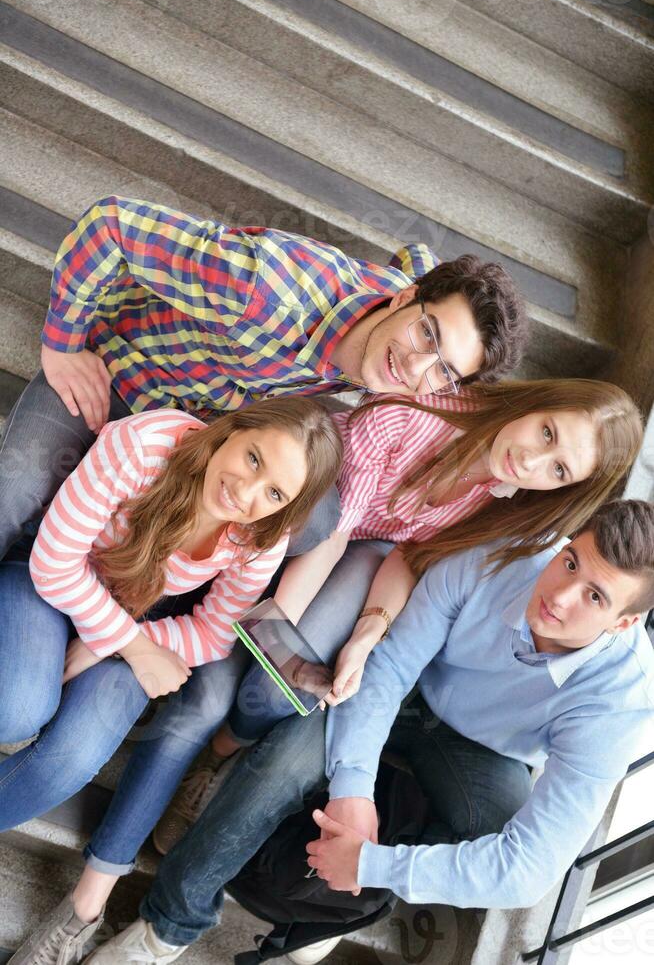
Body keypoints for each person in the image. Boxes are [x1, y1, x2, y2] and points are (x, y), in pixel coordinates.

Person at [8, 381, 643, 964]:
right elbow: (374, 631)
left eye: (595, 599)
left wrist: (376, 863)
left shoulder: (608, 694)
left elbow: (530, 869)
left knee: (498, 820)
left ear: (622, 624)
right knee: (269, 714)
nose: (534, 462)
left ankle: (319, 886)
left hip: (475, 740)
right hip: (387, 649)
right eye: (548, 433)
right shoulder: (502, 552)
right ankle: (174, 909)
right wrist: (352, 791)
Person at [153, 376, 641, 851]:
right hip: (301, 524)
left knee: (286, 689)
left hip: (366, 559)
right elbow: (334, 533)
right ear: (539, 402)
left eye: (558, 471)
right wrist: (277, 627)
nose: (533, 460)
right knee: (256, 673)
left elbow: (408, 556)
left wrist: (369, 632)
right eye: (547, 433)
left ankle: (219, 754)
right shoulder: (421, 412)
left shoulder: (506, 504)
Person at [0, 195, 526, 561]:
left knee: (313, 524)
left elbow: (420, 264)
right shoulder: (263, 285)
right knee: (14, 490)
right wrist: (63, 343)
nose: (416, 368)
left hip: (205, 436)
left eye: (446, 371)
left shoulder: (400, 352)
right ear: (407, 298)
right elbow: (110, 223)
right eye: (428, 335)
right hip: (118, 374)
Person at [0, 396, 341, 836]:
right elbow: (54, 563)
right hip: (50, 583)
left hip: (137, 614)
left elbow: (216, 632)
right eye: (253, 458)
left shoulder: (260, 536)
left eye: (275, 493)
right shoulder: (146, 445)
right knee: (17, 709)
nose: (245, 492)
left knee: (75, 757)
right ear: (234, 429)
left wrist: (112, 640)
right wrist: (130, 645)